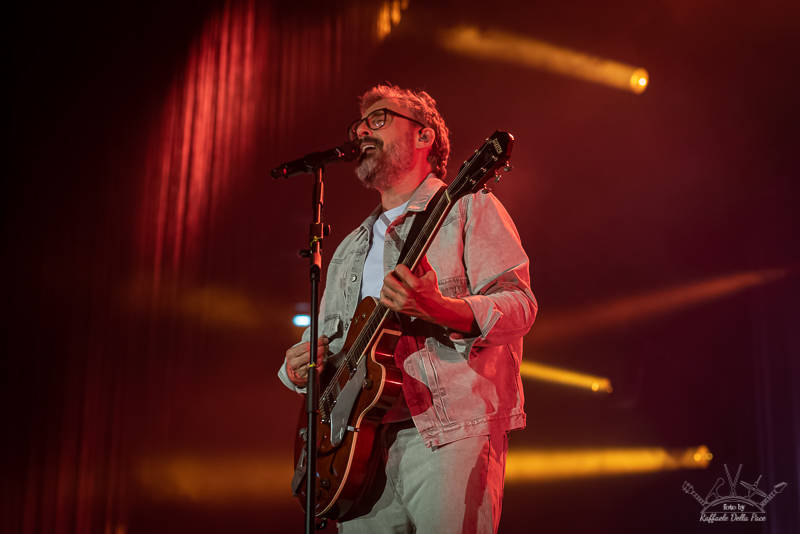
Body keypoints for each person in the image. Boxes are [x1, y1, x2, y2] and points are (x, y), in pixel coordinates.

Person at [278, 83, 537, 533]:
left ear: (424, 137)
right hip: (357, 448)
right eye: (359, 124)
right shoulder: (347, 248)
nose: (362, 130)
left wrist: (438, 307)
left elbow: (519, 306)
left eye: (378, 119)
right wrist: (298, 368)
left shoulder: (469, 209)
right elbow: (324, 344)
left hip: (447, 431)